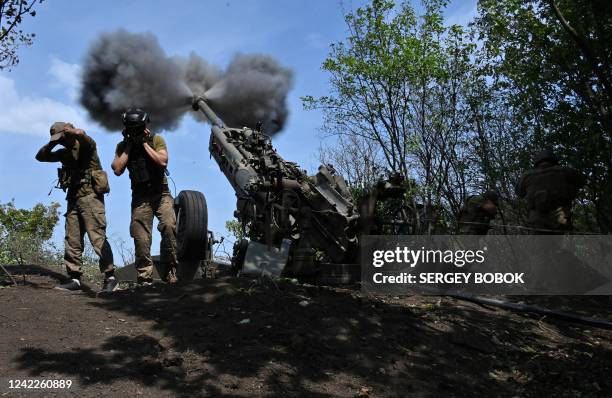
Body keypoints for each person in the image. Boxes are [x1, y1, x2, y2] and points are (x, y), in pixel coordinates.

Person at [35, 122, 116, 291]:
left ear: (68, 134)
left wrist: (74, 132)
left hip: (91, 198)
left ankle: (110, 278)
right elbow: (40, 157)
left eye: (62, 138)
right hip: (73, 199)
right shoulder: (63, 153)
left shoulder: (86, 147)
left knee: (97, 238)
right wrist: (52, 143)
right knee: (72, 239)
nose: (61, 142)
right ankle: (75, 279)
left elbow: (87, 139)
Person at [111, 108, 178, 284]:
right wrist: (130, 145)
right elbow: (117, 168)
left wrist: (144, 144)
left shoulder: (156, 140)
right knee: (140, 236)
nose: (135, 132)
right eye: (132, 129)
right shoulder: (122, 146)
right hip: (140, 197)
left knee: (169, 227)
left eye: (138, 128)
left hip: (161, 194)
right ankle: (144, 277)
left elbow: (162, 161)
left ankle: (170, 270)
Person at [516, 150, 586, 234]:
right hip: (561, 216)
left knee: (540, 246)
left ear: (536, 162)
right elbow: (582, 182)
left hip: (537, 219)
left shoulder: (527, 176)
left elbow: (519, 193)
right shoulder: (565, 171)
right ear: (554, 160)